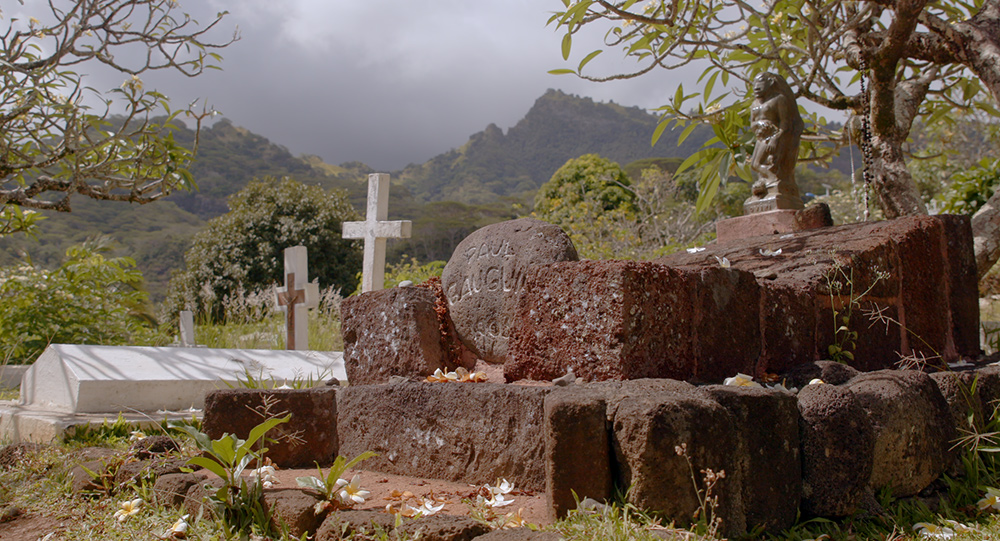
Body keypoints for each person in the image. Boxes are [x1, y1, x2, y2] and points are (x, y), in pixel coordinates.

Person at [745, 72, 804, 211]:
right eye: (754, 84)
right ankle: (771, 179)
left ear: (770, 83)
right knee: (755, 164)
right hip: (761, 136)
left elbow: (786, 123)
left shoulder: (779, 99)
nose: (756, 87)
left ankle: (775, 181)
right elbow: (752, 124)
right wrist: (759, 125)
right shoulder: (754, 104)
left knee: (758, 163)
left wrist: (776, 138)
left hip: (774, 136)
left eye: (760, 83)